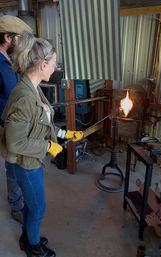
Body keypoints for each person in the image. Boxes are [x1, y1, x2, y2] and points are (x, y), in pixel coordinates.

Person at [0, 31, 83, 256]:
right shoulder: (25, 96)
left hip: (30, 159)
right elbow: (15, 142)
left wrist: (66, 134)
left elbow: (41, 123)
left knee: (30, 203)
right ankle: (34, 248)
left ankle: (27, 237)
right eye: (54, 64)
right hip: (25, 163)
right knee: (38, 207)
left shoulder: (33, 88)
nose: (55, 69)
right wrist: (47, 147)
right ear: (43, 65)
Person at [0, 15, 33, 223]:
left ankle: (19, 198)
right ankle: (15, 205)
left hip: (15, 123)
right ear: (7, 37)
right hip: (7, 125)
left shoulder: (8, 60)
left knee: (18, 163)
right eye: (19, 38)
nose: (20, 42)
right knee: (12, 166)